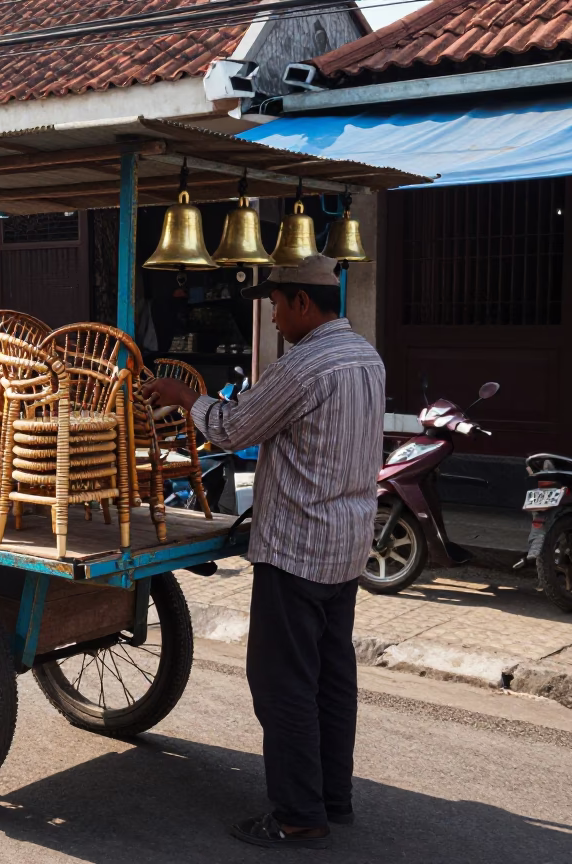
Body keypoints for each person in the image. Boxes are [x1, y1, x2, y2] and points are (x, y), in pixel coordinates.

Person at [143, 254, 385, 851]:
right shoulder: (365, 356)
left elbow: (230, 428)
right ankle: (333, 796)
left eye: (276, 304)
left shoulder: (305, 365)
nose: (273, 317)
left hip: (299, 547)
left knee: (283, 684)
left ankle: (299, 814)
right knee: (330, 677)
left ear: (303, 302)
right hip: (346, 543)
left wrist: (183, 395)